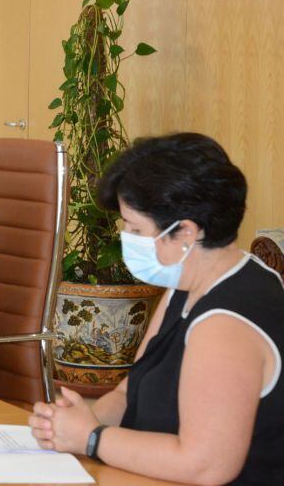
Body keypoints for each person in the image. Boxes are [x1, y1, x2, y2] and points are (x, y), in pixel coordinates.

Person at [28, 133, 283, 485]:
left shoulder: (226, 324)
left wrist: (92, 438)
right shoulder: (189, 281)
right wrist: (74, 423)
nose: (127, 238)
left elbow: (205, 465)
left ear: (186, 233)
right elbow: (128, 391)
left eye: (136, 228)